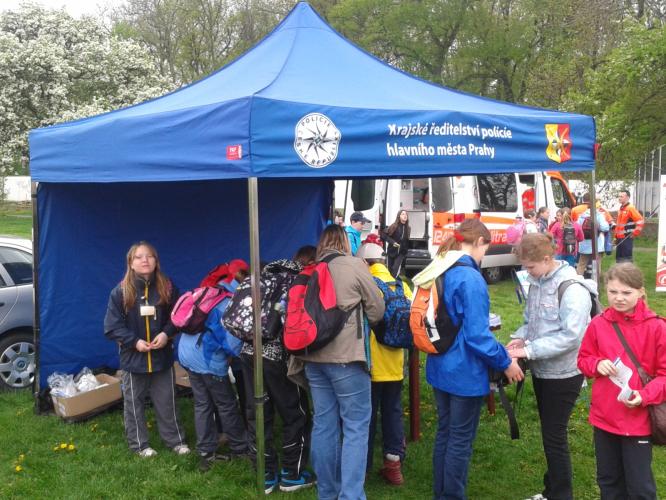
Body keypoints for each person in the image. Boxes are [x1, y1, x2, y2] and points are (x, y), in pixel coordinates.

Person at [414, 219, 524, 500]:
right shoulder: (471, 278)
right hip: (464, 371)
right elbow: (477, 336)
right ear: (478, 242)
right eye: (485, 248)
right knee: (460, 440)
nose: (484, 255)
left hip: (439, 364)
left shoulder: (441, 266)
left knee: (445, 433)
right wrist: (506, 362)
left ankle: (441, 493)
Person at [298, 224, 385, 500]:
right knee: (356, 427)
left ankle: (327, 493)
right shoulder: (354, 265)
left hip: (312, 357)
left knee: (324, 424)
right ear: (345, 243)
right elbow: (377, 309)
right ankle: (351, 495)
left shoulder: (310, 269)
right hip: (347, 358)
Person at [507, 233, 594, 500]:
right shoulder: (537, 281)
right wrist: (520, 338)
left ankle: (560, 494)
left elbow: (571, 336)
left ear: (547, 259)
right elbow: (531, 321)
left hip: (565, 373)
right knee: (550, 434)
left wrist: (528, 350)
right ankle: (552, 491)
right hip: (543, 370)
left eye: (531, 266)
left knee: (554, 436)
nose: (527, 272)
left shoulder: (572, 289)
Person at [577, 263, 666, 500]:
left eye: (626, 292)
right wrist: (596, 364)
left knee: (640, 487)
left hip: (637, 420)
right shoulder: (599, 323)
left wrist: (644, 395)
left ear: (641, 292)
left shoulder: (657, 327)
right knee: (608, 481)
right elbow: (583, 359)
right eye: (613, 291)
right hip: (604, 417)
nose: (619, 298)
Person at [104, 241, 189, 457]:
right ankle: (140, 446)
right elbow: (112, 327)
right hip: (133, 360)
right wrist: (135, 342)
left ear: (156, 261)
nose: (145, 260)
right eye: (139, 257)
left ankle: (176, 442)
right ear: (130, 263)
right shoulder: (120, 292)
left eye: (149, 256)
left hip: (162, 358)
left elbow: (178, 316)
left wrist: (166, 334)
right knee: (134, 404)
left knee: (167, 401)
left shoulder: (167, 287)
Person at [237, 255, 314, 494]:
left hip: (248, 353)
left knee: (259, 412)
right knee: (295, 413)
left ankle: (266, 474)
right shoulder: (296, 281)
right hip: (277, 356)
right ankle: (292, 474)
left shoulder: (257, 279)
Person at [177, 260, 250, 472]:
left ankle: (206, 452)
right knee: (227, 404)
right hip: (206, 360)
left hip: (186, 353)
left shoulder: (211, 291)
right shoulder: (230, 302)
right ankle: (241, 449)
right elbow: (232, 343)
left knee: (202, 403)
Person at [356, 239, 411, 486]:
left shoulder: (365, 285)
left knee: (366, 417)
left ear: (364, 263)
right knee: (393, 413)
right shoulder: (401, 285)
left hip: (370, 364)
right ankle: (393, 466)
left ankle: (363, 469)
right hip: (396, 363)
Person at [576, 203, 609, 277]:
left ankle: (578, 280)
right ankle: (596, 282)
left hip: (584, 245)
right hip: (597, 245)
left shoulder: (581, 216)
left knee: (581, 264)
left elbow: (577, 229)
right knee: (597, 265)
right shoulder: (599, 215)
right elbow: (605, 228)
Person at [615, 190, 644, 263]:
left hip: (626, 238)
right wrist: (615, 237)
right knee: (619, 260)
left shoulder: (630, 208)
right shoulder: (621, 209)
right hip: (619, 238)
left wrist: (635, 233)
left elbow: (640, 221)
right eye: (619, 196)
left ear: (627, 198)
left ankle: (628, 270)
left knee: (626, 260)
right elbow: (619, 225)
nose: (619, 198)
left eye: (621, 196)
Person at [382, 209, 411, 278]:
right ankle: (390, 282)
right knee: (389, 270)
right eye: (403, 214)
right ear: (399, 216)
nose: (405, 216)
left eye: (406, 214)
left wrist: (405, 251)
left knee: (395, 269)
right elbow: (384, 235)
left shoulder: (408, 228)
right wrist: (393, 242)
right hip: (391, 252)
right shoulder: (394, 226)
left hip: (401, 253)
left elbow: (406, 240)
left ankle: (393, 281)